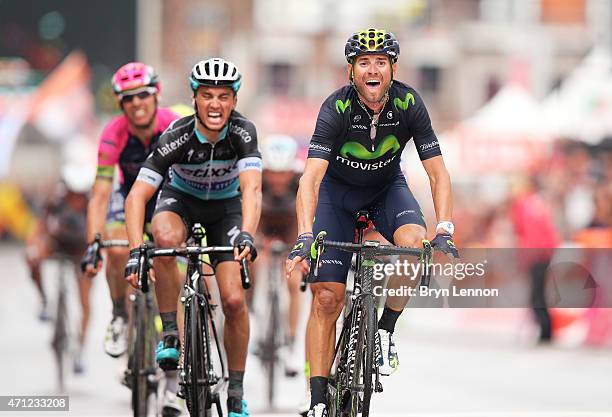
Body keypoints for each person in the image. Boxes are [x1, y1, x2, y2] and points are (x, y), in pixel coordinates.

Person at [285, 28, 459, 416]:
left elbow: (438, 174)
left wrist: (444, 228)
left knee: (416, 245)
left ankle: (384, 330)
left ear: (392, 68)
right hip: (337, 196)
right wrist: (304, 235)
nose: (373, 68)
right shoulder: (336, 108)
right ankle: (316, 397)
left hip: (386, 190)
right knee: (328, 297)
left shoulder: (410, 103)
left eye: (381, 61)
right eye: (364, 62)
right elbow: (310, 178)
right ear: (352, 70)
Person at [124, 57, 262, 417]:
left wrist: (247, 232)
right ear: (194, 98)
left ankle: (235, 389)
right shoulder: (177, 135)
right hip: (181, 201)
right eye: (206, 96)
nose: (215, 104)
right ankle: (170, 333)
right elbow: (137, 196)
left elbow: (251, 190)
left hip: (226, 209)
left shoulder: (244, 133)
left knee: (233, 300)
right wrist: (137, 250)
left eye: (223, 96)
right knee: (165, 238)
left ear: (233, 100)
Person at [80, 62, 180, 414]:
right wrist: (94, 241)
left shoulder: (173, 125)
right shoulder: (113, 132)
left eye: (142, 96)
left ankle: (175, 369)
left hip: (169, 199)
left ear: (156, 95)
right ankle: (120, 313)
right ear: (120, 104)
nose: (137, 104)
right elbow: (101, 192)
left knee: (177, 273)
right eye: (128, 99)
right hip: (129, 201)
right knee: (118, 247)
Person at [25, 161, 94, 373]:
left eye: (80, 194)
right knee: (32, 258)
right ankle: (45, 300)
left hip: (81, 250)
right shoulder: (54, 201)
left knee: (85, 302)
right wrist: (34, 247)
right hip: (58, 244)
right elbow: (39, 228)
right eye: (73, 193)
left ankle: (79, 349)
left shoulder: (93, 204)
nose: (76, 198)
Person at [255, 134, 303, 375]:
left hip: (290, 230)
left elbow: (305, 219)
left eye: (282, 172)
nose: (277, 179)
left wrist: (296, 251)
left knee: (294, 283)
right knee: (254, 264)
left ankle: (291, 343)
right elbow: (250, 216)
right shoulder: (257, 179)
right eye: (272, 172)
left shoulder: (300, 180)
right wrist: (258, 244)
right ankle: (256, 319)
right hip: (263, 227)